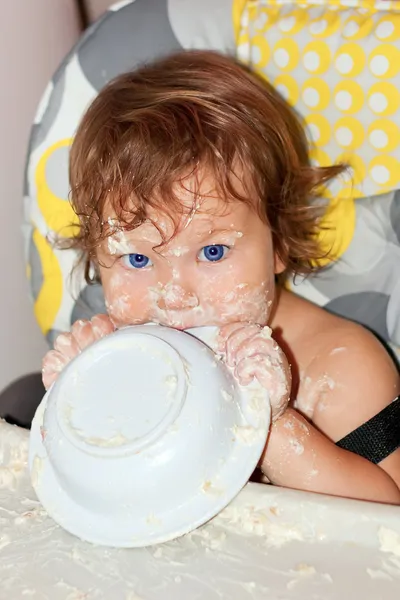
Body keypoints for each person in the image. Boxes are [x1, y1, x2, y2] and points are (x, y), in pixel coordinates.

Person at [42, 51, 400, 504]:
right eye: (136, 260)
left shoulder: (341, 366)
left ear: (279, 242)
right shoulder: (127, 353)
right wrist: (80, 408)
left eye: (212, 251)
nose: (173, 297)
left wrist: (271, 424)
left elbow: (387, 514)